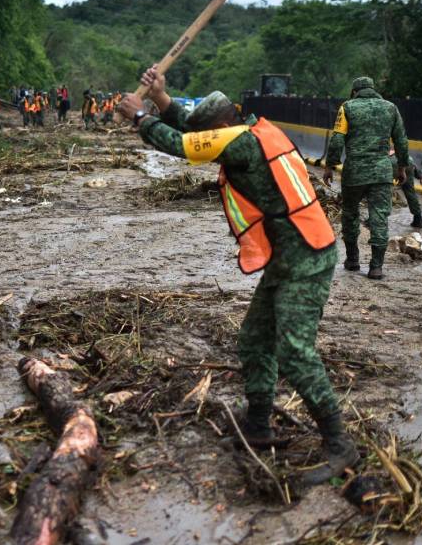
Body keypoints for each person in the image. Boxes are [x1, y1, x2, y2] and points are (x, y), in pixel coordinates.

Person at [118, 66, 359, 486]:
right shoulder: (254, 130)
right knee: (254, 340)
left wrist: (141, 117)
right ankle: (259, 426)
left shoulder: (244, 147)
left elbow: (185, 145)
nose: (208, 140)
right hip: (291, 255)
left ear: (223, 126)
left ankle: (339, 443)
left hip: (306, 259)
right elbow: (197, 136)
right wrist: (160, 98)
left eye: (210, 132)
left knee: (295, 353)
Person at [324, 77, 409, 280]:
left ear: (354, 92)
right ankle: (376, 267)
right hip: (382, 172)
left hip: (355, 172)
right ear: (373, 89)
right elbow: (401, 139)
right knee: (379, 217)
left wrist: (330, 166)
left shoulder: (347, 107)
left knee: (350, 214)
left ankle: (353, 260)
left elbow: (337, 139)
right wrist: (402, 167)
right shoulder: (391, 108)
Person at [392, 152, 422, 228]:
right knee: (410, 192)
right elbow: (407, 159)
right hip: (407, 160)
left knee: (380, 191)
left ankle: (375, 219)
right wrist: (420, 175)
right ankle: (418, 220)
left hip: (391, 162)